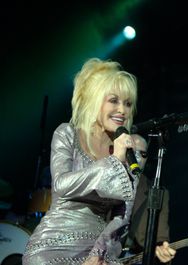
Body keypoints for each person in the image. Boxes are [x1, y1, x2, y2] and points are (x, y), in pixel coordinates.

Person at [22, 58, 175, 265]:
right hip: (53, 245)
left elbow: (123, 215)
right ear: (95, 100)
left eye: (128, 103)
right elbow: (61, 186)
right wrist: (113, 161)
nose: (122, 110)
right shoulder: (67, 134)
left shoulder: (130, 152)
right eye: (114, 101)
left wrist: (98, 253)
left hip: (100, 249)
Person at [120, 135, 175, 264]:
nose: (137, 158)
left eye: (143, 154)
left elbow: (160, 236)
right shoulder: (102, 180)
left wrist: (162, 248)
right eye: (132, 152)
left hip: (133, 258)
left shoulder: (156, 192)